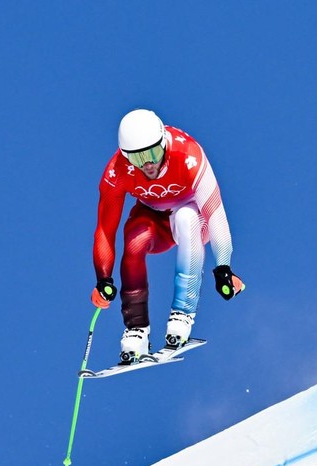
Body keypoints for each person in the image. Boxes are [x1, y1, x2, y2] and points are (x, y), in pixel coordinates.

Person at [90, 109, 244, 363]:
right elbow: (105, 229)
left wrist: (223, 267)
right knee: (135, 237)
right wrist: (103, 278)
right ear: (125, 156)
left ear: (163, 143)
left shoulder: (188, 155)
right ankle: (136, 329)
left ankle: (182, 314)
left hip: (196, 219)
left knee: (187, 217)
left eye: (152, 153)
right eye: (137, 158)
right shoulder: (117, 171)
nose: (147, 164)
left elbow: (215, 212)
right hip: (157, 220)